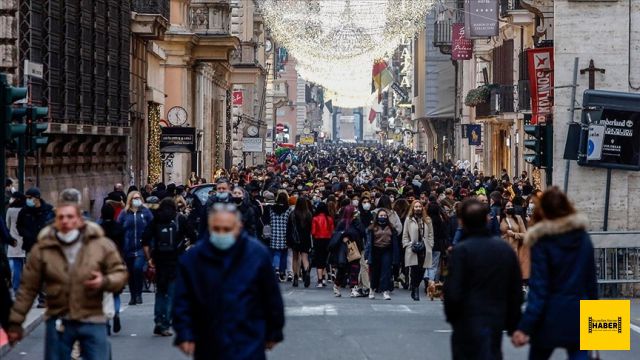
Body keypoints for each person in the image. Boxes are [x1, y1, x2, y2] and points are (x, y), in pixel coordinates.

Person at [6, 201, 127, 360]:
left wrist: (104, 281)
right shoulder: (44, 249)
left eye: (70, 216)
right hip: (59, 317)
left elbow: (119, 273)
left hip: (92, 316)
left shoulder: (100, 245)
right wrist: (15, 322)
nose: (65, 221)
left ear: (79, 220)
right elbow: (28, 289)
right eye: (61, 217)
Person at [172, 203, 285, 359]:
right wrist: (184, 333)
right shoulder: (194, 259)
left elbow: (271, 296)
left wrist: (274, 330)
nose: (221, 234)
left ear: (238, 227)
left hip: (248, 338)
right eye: (216, 229)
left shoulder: (257, 255)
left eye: (227, 229)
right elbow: (182, 299)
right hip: (209, 340)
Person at [511, 188, 598, 360]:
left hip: (548, 316)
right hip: (578, 312)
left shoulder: (542, 242)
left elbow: (539, 289)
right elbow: (591, 284)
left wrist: (525, 327)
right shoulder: (583, 238)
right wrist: (597, 332)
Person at [444, 199, 522, 360]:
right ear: (487, 219)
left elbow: (452, 290)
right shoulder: (504, 249)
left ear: (462, 221)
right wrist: (513, 325)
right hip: (494, 318)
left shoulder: (461, 251)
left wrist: (453, 317)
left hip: (466, 320)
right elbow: (515, 291)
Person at [142, 198, 196, 336]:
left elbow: (145, 239)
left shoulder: (156, 220)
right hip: (176, 260)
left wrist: (149, 259)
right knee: (172, 293)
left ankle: (158, 320)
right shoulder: (180, 219)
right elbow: (193, 236)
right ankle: (166, 323)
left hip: (159, 260)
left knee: (160, 292)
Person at [117, 191, 153, 305]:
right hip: (128, 247)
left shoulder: (145, 212)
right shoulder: (124, 213)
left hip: (142, 247)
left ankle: (138, 294)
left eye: (138, 198)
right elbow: (119, 228)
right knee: (131, 272)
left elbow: (152, 226)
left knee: (138, 268)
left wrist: (150, 243)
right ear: (130, 200)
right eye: (134, 198)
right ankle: (133, 295)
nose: (137, 200)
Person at [99, 204, 125, 334]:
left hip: (102, 264)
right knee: (116, 292)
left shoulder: (99, 229)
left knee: (105, 294)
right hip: (116, 262)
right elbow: (123, 246)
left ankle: (106, 323)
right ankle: (116, 313)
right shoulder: (119, 228)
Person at [402, 200, 434, 301]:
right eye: (416, 207)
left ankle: (415, 286)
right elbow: (405, 234)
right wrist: (408, 245)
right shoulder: (409, 219)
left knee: (422, 270)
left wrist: (430, 245)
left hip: (424, 248)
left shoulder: (427, 220)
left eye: (420, 206)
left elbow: (430, 235)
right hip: (413, 247)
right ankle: (415, 289)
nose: (418, 208)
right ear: (413, 208)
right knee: (414, 269)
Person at [365, 209, 400, 300]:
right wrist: (366, 256)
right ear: (377, 217)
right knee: (374, 271)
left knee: (386, 271)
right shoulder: (372, 228)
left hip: (387, 250)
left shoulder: (391, 228)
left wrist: (396, 257)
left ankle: (385, 291)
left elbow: (395, 243)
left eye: (384, 216)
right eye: (381, 215)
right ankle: (372, 289)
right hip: (375, 250)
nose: (383, 217)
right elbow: (368, 244)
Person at [499, 201, 530, 285]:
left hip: (515, 249)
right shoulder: (499, 219)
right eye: (508, 206)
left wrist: (514, 234)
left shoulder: (518, 218)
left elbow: (525, 234)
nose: (510, 207)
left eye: (511, 205)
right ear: (504, 209)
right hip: (502, 249)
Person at [287, 197, 313, 288]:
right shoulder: (309, 214)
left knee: (295, 258)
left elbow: (289, 228)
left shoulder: (293, 214)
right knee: (305, 257)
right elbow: (311, 229)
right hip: (305, 238)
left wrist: (288, 240)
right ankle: (306, 272)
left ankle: (296, 277)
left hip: (295, 239)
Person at [6, 192, 25, 295]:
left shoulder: (10, 210)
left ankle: (16, 288)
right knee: (24, 265)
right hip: (25, 240)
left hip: (14, 241)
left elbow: (7, 225)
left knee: (17, 264)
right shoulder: (25, 209)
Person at [269, 192, 292, 281]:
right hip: (284, 233)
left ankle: (276, 270)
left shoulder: (272, 208)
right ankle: (282, 271)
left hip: (274, 233)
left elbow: (270, 219)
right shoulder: (288, 209)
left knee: (276, 253)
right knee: (284, 253)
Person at [311, 202, 334, 288]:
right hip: (327, 240)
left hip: (318, 240)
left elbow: (313, 232)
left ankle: (320, 280)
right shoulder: (329, 219)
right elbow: (332, 231)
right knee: (325, 260)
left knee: (319, 260)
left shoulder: (315, 218)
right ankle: (324, 278)